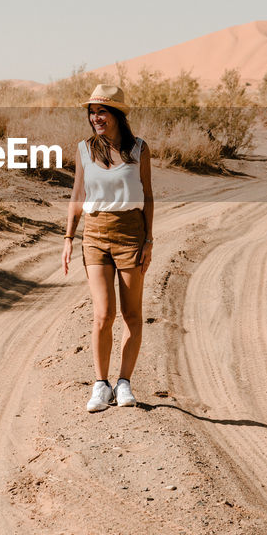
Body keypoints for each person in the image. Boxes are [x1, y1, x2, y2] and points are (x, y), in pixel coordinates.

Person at [62, 84, 154, 413]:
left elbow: (148, 196)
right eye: (92, 112)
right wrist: (69, 238)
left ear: (116, 114)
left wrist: (148, 240)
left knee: (132, 315)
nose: (95, 117)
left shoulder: (139, 149)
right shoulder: (85, 149)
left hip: (131, 234)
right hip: (95, 234)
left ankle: (124, 382)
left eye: (101, 111)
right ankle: (101, 385)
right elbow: (77, 194)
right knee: (103, 314)